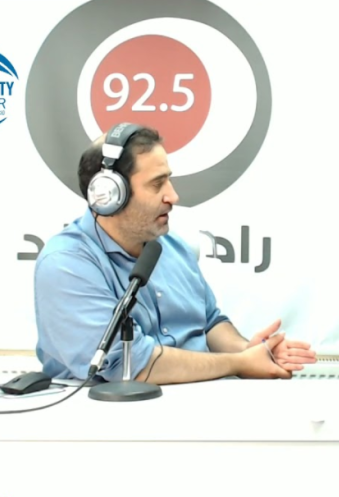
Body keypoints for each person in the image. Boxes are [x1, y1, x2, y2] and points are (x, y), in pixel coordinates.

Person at [34, 123, 317, 384]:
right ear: (109, 194)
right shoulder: (65, 264)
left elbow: (210, 323)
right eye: (157, 184)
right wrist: (240, 363)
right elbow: (129, 366)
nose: (173, 196)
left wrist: (249, 351)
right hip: (111, 415)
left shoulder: (172, 246)